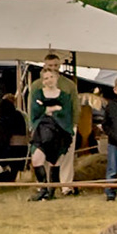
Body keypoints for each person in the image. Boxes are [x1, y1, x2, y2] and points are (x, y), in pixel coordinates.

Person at [26, 62, 77, 201]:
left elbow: (66, 112)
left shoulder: (64, 96)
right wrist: (51, 108)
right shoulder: (37, 93)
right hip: (41, 131)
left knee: (55, 161)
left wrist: (49, 109)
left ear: (56, 78)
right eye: (46, 78)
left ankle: (51, 191)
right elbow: (36, 111)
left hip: (58, 132)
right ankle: (42, 188)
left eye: (51, 77)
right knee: (37, 159)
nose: (49, 80)